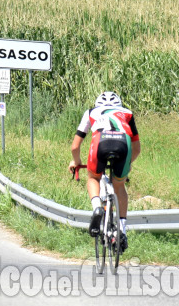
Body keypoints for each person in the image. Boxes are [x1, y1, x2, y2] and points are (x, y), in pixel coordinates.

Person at [68, 91, 140, 254]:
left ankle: (97, 208)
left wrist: (76, 161)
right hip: (123, 145)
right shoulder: (127, 113)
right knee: (119, 186)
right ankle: (122, 230)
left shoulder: (91, 112)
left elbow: (75, 146)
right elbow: (137, 148)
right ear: (119, 105)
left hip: (100, 143)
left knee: (93, 177)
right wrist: (128, 164)